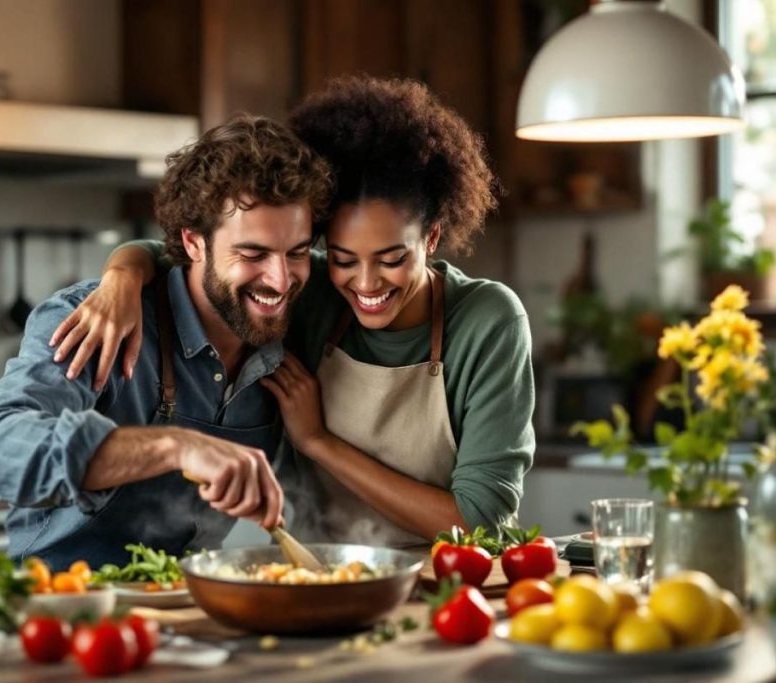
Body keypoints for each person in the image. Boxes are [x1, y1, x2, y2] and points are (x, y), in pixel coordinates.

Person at [49, 77, 534, 547]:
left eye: (392, 260)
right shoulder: (310, 286)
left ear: (431, 238)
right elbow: (199, 255)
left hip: (452, 580)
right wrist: (123, 276)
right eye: (344, 259)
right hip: (323, 575)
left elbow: (480, 524)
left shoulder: (488, 320)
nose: (366, 285)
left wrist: (319, 441)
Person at [0, 115, 333, 569]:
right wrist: (176, 447)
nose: (280, 279)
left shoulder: (300, 319)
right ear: (194, 243)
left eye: (296, 253)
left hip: (184, 606)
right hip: (64, 604)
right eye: (252, 254)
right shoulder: (94, 320)